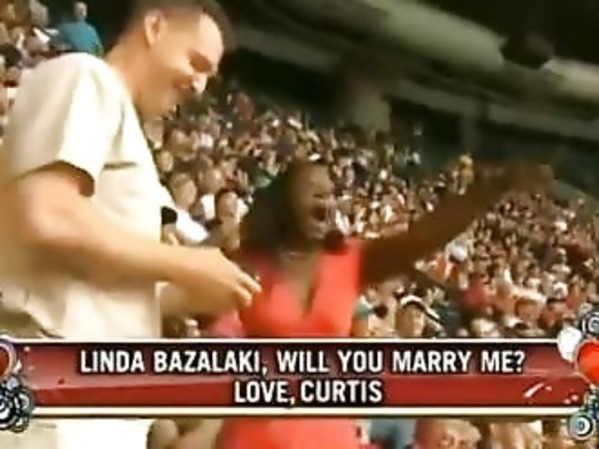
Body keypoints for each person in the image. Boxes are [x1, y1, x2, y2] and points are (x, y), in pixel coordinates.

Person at [0, 1, 260, 448]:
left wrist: (197, 290)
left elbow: (104, 285)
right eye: (196, 62)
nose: (200, 85)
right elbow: (48, 213)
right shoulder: (87, 77)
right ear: (154, 27)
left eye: (209, 76)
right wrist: (185, 264)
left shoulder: (128, 131)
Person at [205, 159, 551, 449]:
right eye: (315, 193)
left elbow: (421, 238)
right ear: (283, 201)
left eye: (331, 195)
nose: (327, 203)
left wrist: (489, 190)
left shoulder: (350, 260)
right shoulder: (249, 262)